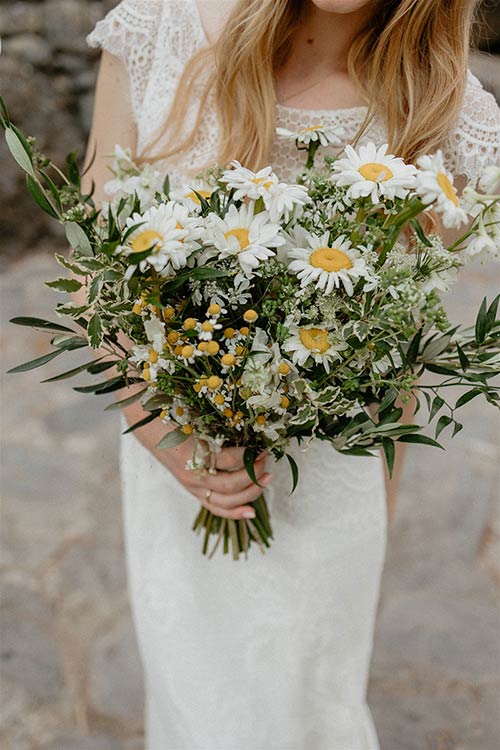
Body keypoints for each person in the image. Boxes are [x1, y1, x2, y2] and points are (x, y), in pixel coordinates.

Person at [82, 1, 500, 747]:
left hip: (331, 484)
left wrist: (377, 516)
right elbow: (94, 272)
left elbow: (394, 354)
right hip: (176, 452)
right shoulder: (160, 30)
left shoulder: (442, 101)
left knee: (316, 706)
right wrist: (167, 440)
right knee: (199, 705)